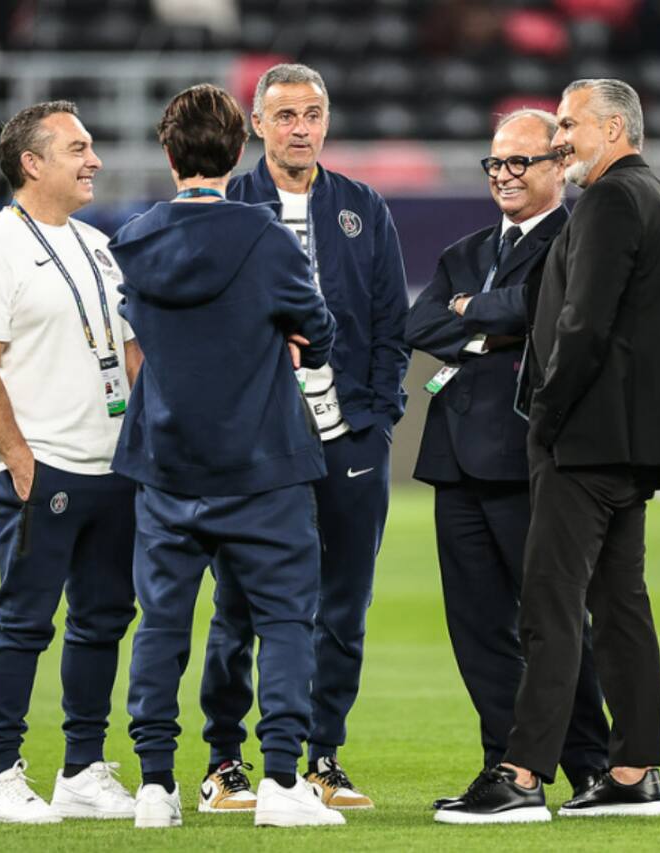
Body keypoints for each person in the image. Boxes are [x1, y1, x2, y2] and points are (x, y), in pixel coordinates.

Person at [437, 78, 660, 824]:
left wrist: (543, 412)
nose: (558, 139)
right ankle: (632, 771)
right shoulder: (654, 198)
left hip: (584, 439)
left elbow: (582, 323)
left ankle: (519, 774)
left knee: (549, 603)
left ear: (613, 129)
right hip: (630, 439)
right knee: (618, 605)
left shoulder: (611, 200)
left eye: (568, 124)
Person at [110, 83, 343, 830]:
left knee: (161, 624)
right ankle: (279, 781)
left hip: (168, 464)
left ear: (169, 154)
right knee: (283, 621)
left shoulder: (135, 239)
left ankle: (154, 786)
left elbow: (141, 337)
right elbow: (318, 329)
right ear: (240, 148)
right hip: (263, 463)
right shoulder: (266, 236)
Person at [198, 62, 410, 812]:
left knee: (345, 604)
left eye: (313, 113)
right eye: (285, 115)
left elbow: (392, 322)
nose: (301, 128)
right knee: (239, 603)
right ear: (257, 124)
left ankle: (322, 755)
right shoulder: (228, 207)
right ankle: (225, 758)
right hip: (257, 442)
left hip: (348, 435)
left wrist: (376, 417)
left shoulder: (361, 207)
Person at [404, 109, 610, 811]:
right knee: (476, 628)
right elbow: (420, 321)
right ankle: (506, 764)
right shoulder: (462, 250)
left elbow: (539, 308)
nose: (505, 175)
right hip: (454, 459)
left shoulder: (575, 239)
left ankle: (590, 760)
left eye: (520, 162)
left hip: (530, 458)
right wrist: (488, 326)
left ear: (558, 166)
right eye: (495, 163)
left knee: (552, 621)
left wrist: (482, 313)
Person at [0, 100, 140, 824]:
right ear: (32, 163)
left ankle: (83, 769)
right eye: (77, 147)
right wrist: (18, 456)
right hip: (44, 465)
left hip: (112, 466)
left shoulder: (97, 244)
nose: (93, 159)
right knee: (26, 619)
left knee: (103, 617)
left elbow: (125, 348)